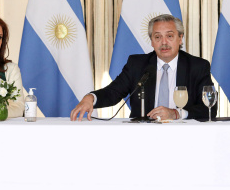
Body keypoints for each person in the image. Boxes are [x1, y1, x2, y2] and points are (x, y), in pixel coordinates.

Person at [70, 14, 216, 121]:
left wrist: (176, 113)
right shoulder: (137, 64)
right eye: (157, 37)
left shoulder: (197, 66)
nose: (164, 42)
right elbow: (113, 92)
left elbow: (210, 108)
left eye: (170, 36)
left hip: (186, 137)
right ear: (152, 41)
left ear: (180, 38)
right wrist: (91, 98)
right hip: (142, 136)